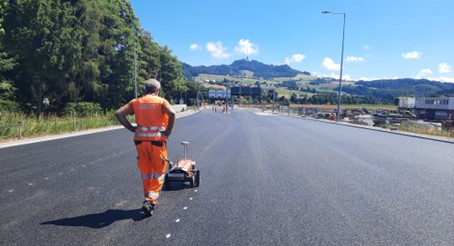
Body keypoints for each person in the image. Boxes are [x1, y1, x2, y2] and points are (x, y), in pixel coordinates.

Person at [115, 79, 176, 217]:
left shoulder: (136, 102)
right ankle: (150, 200)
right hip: (157, 142)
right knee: (159, 172)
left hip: (140, 142)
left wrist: (132, 129)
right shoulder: (161, 101)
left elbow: (119, 113)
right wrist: (167, 132)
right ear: (157, 90)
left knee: (146, 172)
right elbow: (172, 113)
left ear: (145, 89)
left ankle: (148, 198)